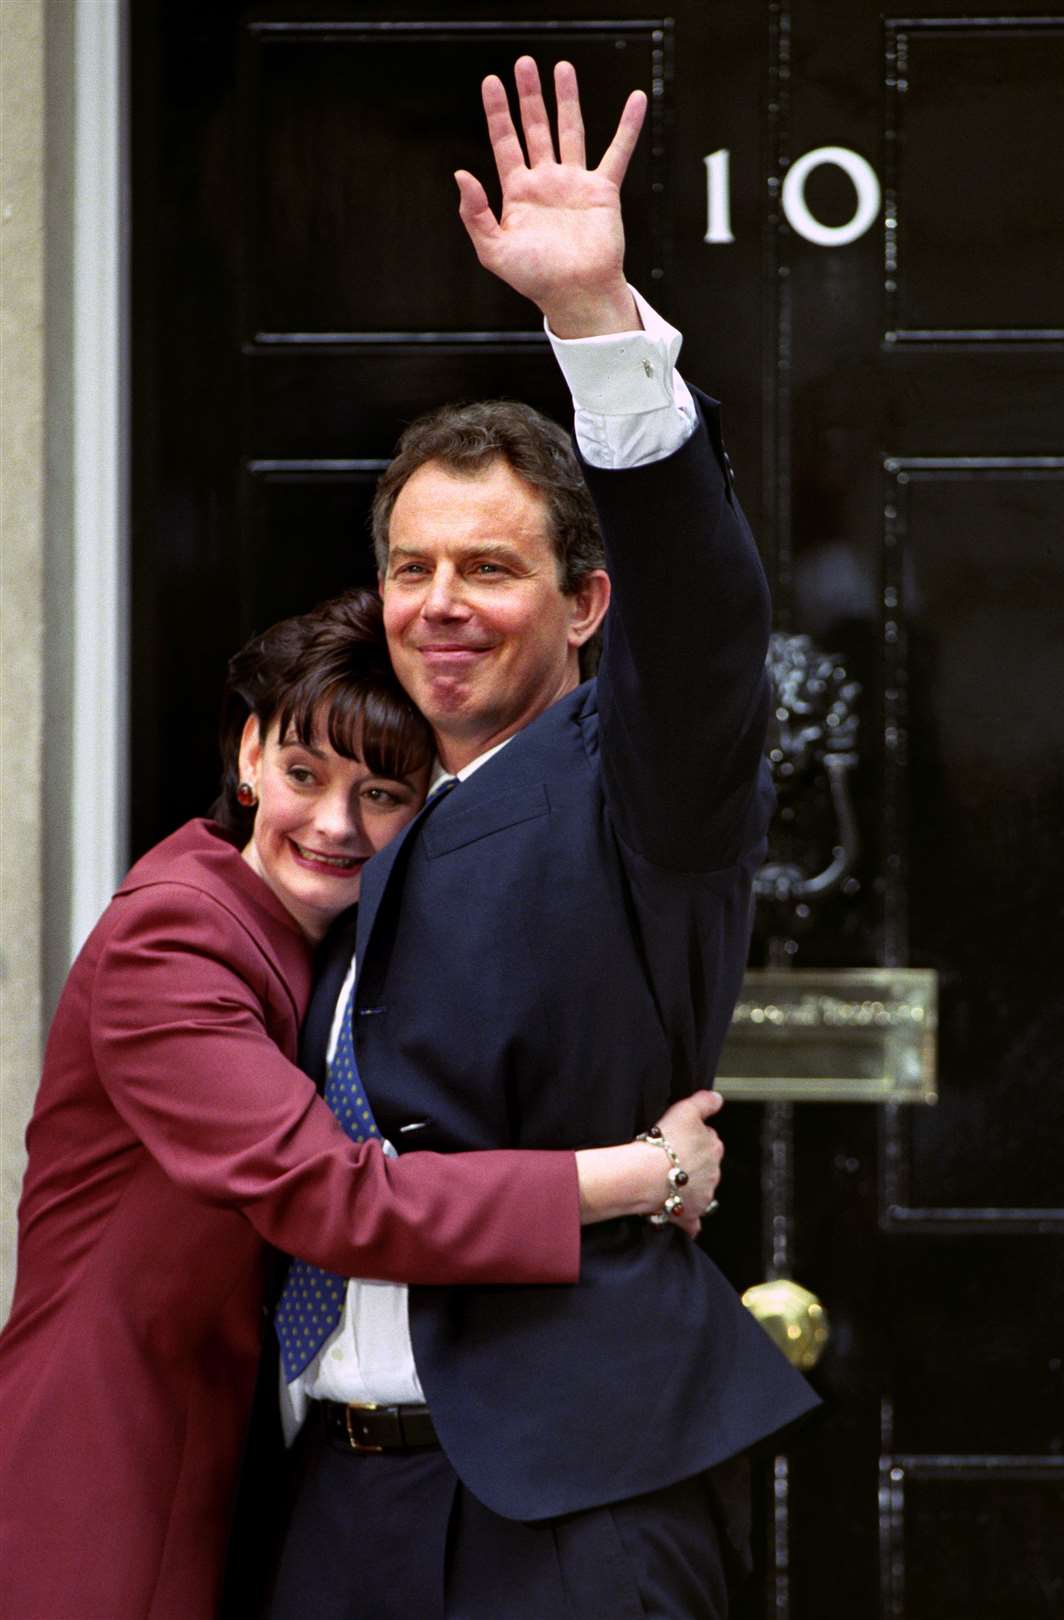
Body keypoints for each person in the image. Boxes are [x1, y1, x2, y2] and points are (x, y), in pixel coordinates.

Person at [265, 58, 819, 1620]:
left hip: (566, 1509)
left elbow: (706, 623)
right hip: (335, 1496)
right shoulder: (345, 814)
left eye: (490, 568)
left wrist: (593, 322)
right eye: (411, 566)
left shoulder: (645, 780)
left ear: (583, 603)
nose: (440, 603)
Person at [0, 588, 724, 1620]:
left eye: (382, 792)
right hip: (112, 1458)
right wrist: (641, 1174)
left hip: (263, 1471)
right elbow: (335, 1200)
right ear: (248, 758)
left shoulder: (336, 940)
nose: (335, 824)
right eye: (303, 775)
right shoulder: (172, 941)